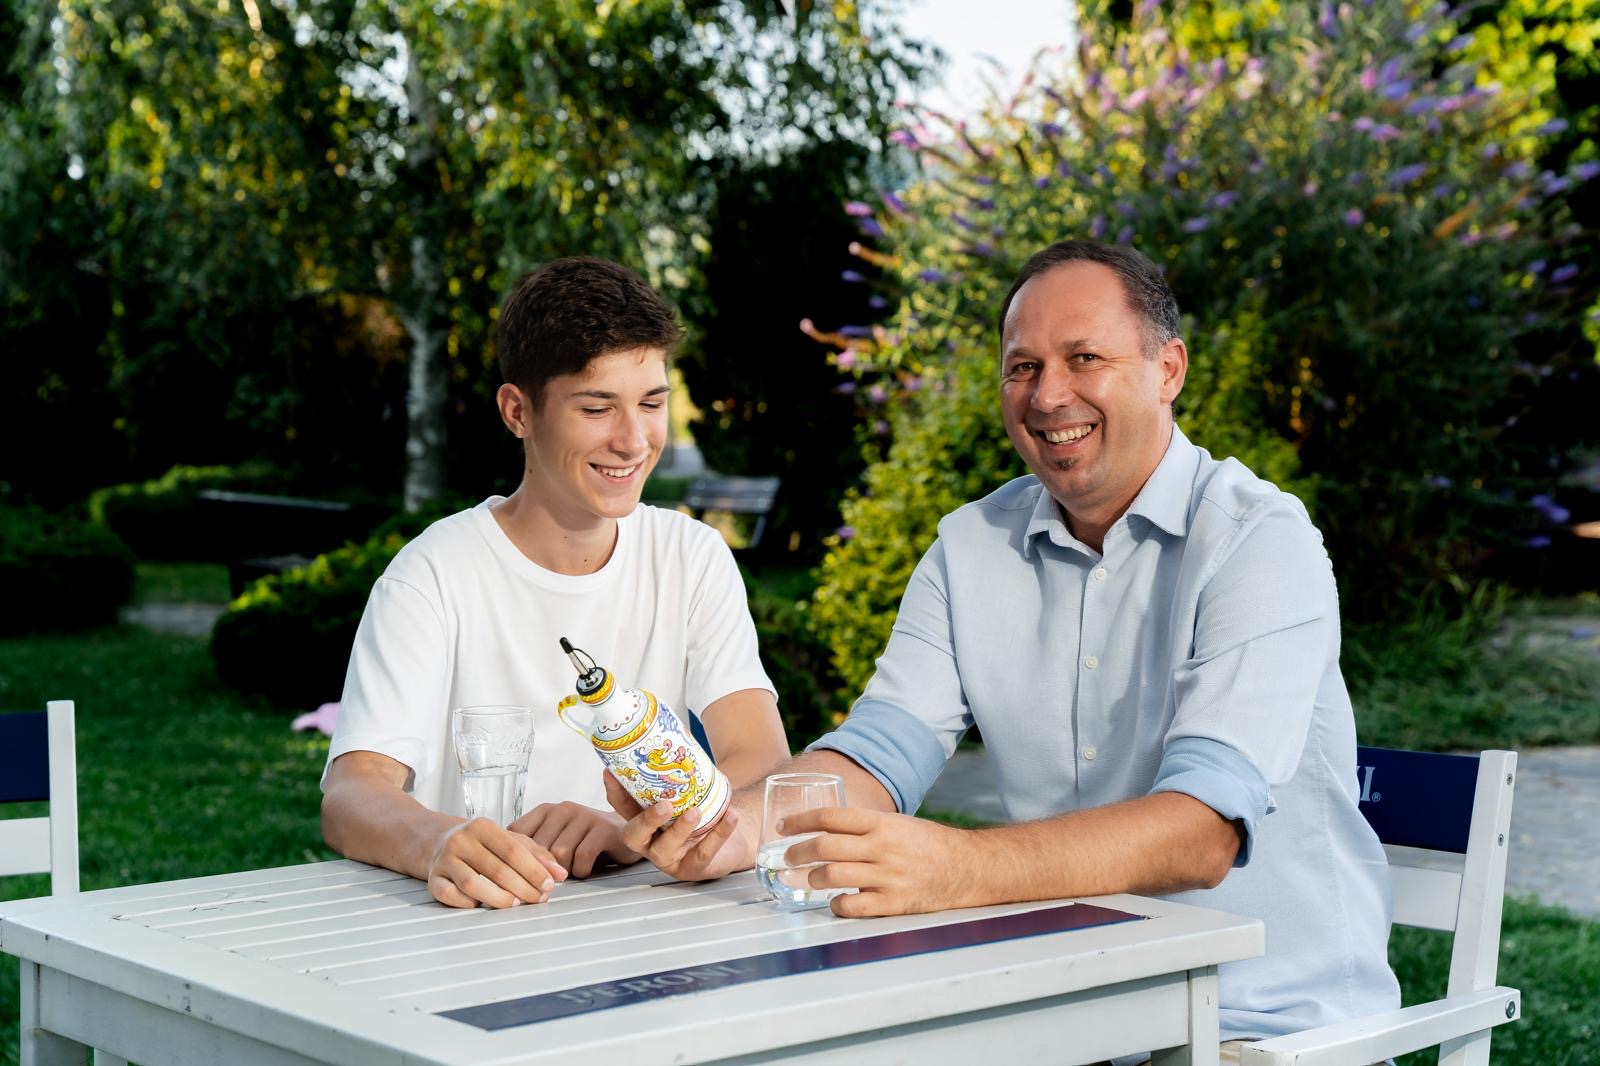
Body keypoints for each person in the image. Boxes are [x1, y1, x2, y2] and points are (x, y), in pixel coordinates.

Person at [609, 240, 1400, 1051]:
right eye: (1023, 367)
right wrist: (730, 829)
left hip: (1264, 1034)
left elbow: (1202, 833)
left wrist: (956, 868)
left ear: (1168, 370)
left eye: (1084, 358)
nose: (1049, 395)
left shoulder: (1258, 542)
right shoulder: (971, 546)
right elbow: (880, 754)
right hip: (1066, 1018)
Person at [321, 257, 789, 910]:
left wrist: (633, 832)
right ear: (518, 411)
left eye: (652, 404)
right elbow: (352, 793)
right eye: (597, 408)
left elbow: (762, 758)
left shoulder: (691, 557)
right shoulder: (432, 575)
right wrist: (438, 841)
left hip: (648, 919)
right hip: (482, 923)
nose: (633, 441)